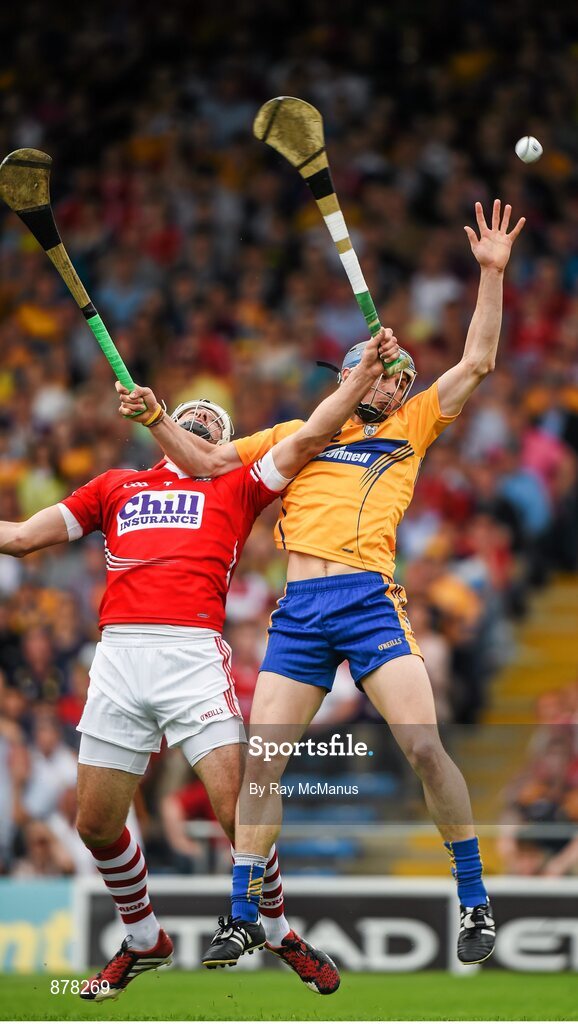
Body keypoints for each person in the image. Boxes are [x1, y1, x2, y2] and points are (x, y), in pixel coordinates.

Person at [122, 200, 525, 967]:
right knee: (262, 759)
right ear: (351, 374)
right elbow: (206, 464)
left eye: (402, 376)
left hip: (369, 600)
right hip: (300, 612)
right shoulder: (296, 435)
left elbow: (476, 363)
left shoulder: (410, 428)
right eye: (384, 371)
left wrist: (491, 275)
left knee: (424, 749)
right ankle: (242, 914)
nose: (397, 382)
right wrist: (156, 422)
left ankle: (472, 897)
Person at [0, 328, 395, 1000]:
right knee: (95, 824)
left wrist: (360, 382)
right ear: (170, 428)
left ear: (220, 443)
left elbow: (307, 437)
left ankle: (277, 930)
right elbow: (17, 539)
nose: (202, 420)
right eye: (192, 417)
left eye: (215, 423)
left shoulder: (237, 484)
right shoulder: (113, 487)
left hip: (191, 656)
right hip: (119, 658)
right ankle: (144, 937)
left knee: (240, 810)